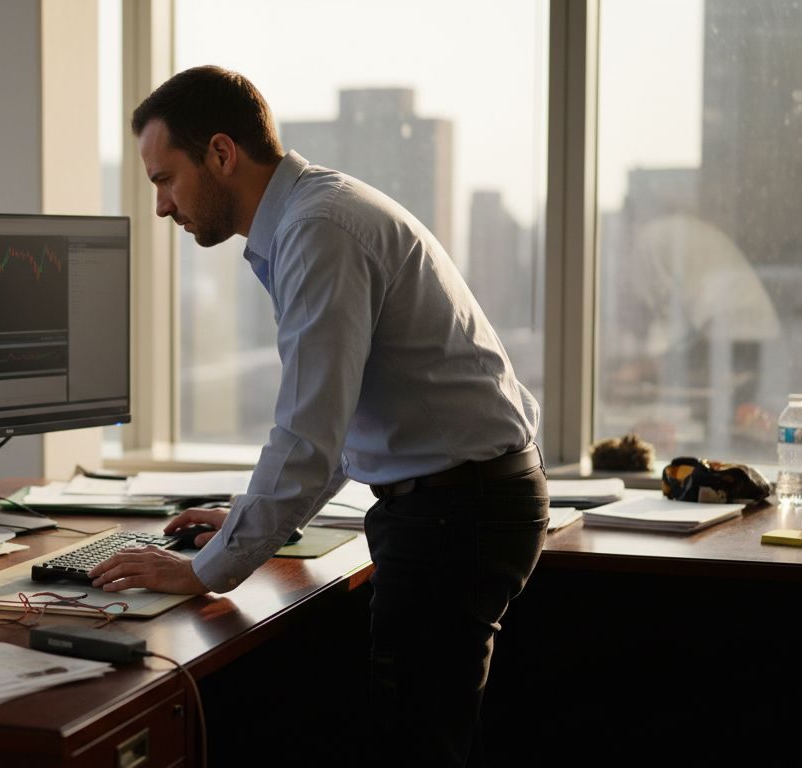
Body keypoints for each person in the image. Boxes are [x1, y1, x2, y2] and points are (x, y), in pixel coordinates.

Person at [89, 65, 546, 765]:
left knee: (415, 746)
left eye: (163, 179)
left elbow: (307, 433)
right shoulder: (309, 219)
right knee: (432, 734)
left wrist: (202, 570)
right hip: (461, 506)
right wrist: (249, 516)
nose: (161, 206)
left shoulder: (317, 231)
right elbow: (336, 418)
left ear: (220, 153)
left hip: (457, 516)